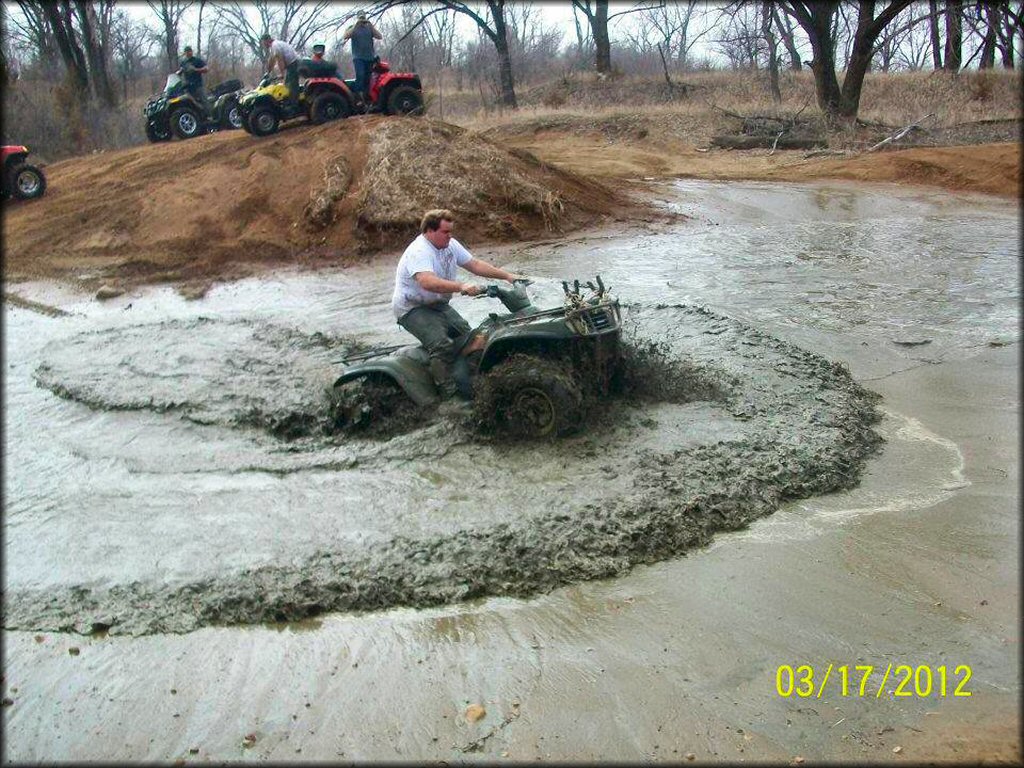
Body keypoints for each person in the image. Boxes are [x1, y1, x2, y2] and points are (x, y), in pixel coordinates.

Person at [393, 209, 520, 400]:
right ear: (429, 231)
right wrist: (461, 286)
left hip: (438, 305)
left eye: (451, 231)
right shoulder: (419, 251)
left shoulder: (450, 245)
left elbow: (474, 264)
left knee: (472, 338)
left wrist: (508, 276)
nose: (450, 236)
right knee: (441, 345)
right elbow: (427, 282)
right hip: (412, 308)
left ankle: (471, 381)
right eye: (445, 232)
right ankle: (449, 396)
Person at [342, 11, 382, 107]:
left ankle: (367, 99)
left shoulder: (369, 28)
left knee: (368, 79)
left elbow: (379, 36)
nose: (362, 20)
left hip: (369, 57)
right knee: (360, 75)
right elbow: (345, 36)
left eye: (363, 18)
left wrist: (371, 26)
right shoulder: (352, 28)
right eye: (360, 18)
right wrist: (356, 25)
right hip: (358, 57)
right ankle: (357, 98)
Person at [260, 33, 300, 107]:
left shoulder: (275, 46)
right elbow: (271, 60)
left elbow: (280, 60)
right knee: (286, 85)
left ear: (267, 40)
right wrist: (267, 72)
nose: (263, 45)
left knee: (291, 85)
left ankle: (295, 106)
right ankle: (289, 102)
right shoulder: (273, 47)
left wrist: (282, 74)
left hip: (294, 63)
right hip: (290, 65)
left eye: (263, 43)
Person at [178, 45, 209, 117]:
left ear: (192, 52)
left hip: (197, 85)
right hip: (188, 87)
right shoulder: (183, 62)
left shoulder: (197, 60)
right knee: (189, 102)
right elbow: (181, 70)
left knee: (204, 100)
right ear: (184, 53)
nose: (188, 53)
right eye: (186, 52)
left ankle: (209, 116)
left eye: (189, 51)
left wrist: (196, 70)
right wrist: (178, 73)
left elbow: (206, 69)